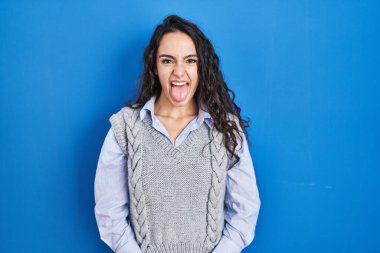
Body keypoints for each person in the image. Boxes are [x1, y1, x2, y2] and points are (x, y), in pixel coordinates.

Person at [94, 14, 260, 253]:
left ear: (201, 66)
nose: (179, 72)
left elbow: (245, 211)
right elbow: (109, 215)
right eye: (168, 61)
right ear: (154, 66)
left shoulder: (225, 129)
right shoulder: (125, 128)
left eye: (190, 60)